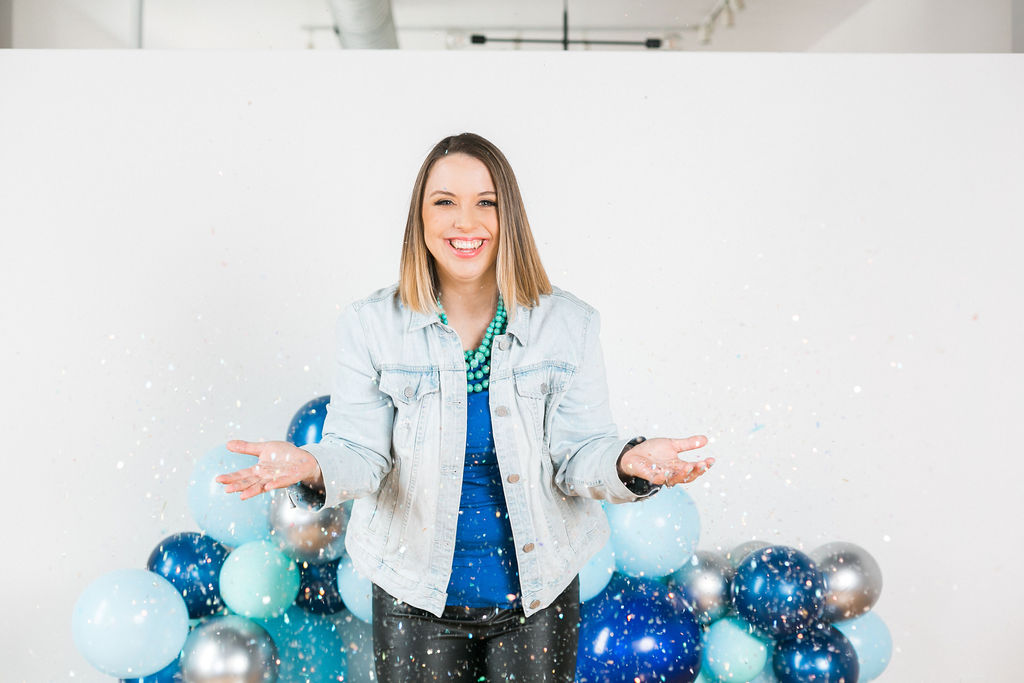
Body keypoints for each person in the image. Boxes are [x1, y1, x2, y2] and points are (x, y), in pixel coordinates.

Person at [216, 132, 715, 682]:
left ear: (510, 218)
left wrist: (627, 460)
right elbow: (358, 451)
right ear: (419, 218)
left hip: (538, 597)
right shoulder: (370, 326)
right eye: (445, 202)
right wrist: (313, 466)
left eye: (486, 203)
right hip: (414, 596)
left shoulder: (569, 325)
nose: (465, 222)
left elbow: (579, 454)